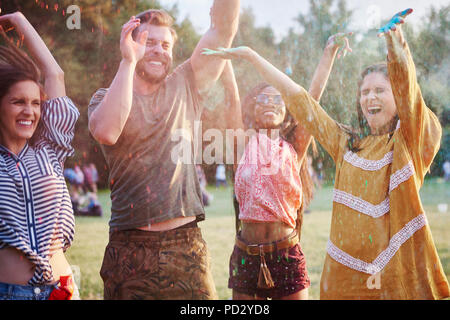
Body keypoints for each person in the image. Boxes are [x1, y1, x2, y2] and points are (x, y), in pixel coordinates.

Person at [207, 9, 450, 299]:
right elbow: (302, 100)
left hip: (395, 278)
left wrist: (395, 45)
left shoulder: (410, 141)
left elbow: (409, 96)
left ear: (397, 98)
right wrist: (250, 56)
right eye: (365, 92)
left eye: (380, 91)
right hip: (345, 280)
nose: (370, 97)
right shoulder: (345, 143)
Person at [88, 2, 240, 300]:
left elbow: (223, 30)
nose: (158, 50)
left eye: (165, 44)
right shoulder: (105, 97)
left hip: (185, 244)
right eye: (148, 42)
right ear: (130, 43)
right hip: (129, 248)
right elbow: (107, 131)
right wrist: (128, 62)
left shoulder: (187, 82)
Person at [209, 34, 352, 299]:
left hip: (286, 254)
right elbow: (231, 94)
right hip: (246, 257)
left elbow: (312, 99)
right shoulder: (242, 144)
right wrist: (226, 56)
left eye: (277, 100)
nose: (270, 104)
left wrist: (328, 54)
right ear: (252, 109)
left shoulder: (294, 147)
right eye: (263, 100)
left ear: (287, 113)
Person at [0, 12, 79, 300]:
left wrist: (20, 20)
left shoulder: (50, 150)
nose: (29, 111)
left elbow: (55, 74)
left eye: (35, 103)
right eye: (17, 102)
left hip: (62, 290)